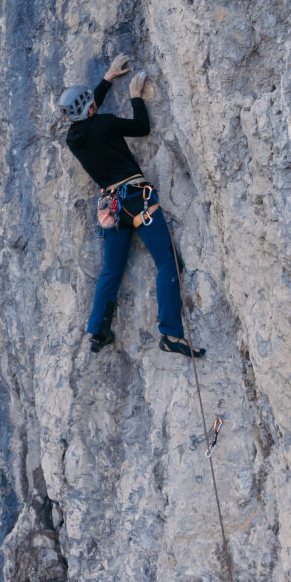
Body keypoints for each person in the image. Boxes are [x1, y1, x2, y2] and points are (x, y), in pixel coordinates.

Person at [60, 55, 204, 358]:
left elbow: (88, 116)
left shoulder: (73, 138)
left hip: (111, 209)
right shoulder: (105, 123)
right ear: (91, 108)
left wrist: (106, 80)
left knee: (111, 270)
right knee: (167, 261)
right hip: (137, 199)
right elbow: (141, 127)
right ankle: (171, 334)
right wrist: (135, 97)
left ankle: (98, 332)